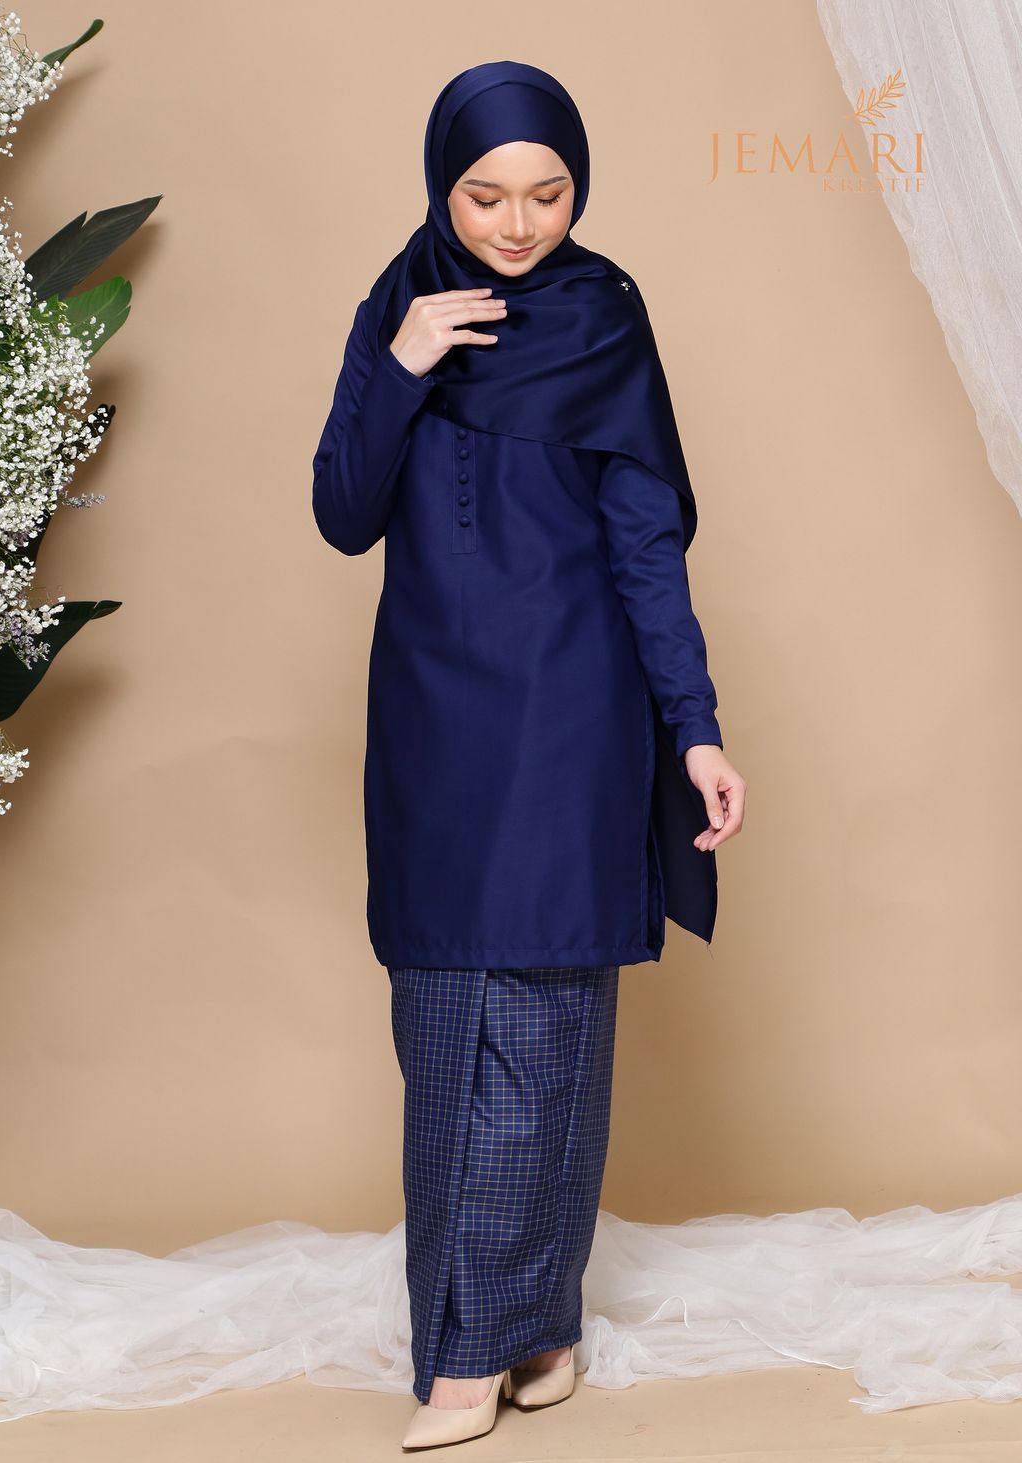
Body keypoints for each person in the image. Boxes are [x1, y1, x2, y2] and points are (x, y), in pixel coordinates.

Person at [311, 59, 746, 1450]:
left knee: (553, 1025)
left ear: (580, 188)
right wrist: (404, 364)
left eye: (548, 195)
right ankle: (504, 1332)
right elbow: (342, 512)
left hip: (572, 710)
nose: (517, 224)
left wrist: (696, 728)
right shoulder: (401, 308)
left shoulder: (604, 315)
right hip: (434, 715)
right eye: (486, 196)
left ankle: (497, 1344)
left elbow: (646, 547)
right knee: (446, 1020)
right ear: (442, 189)